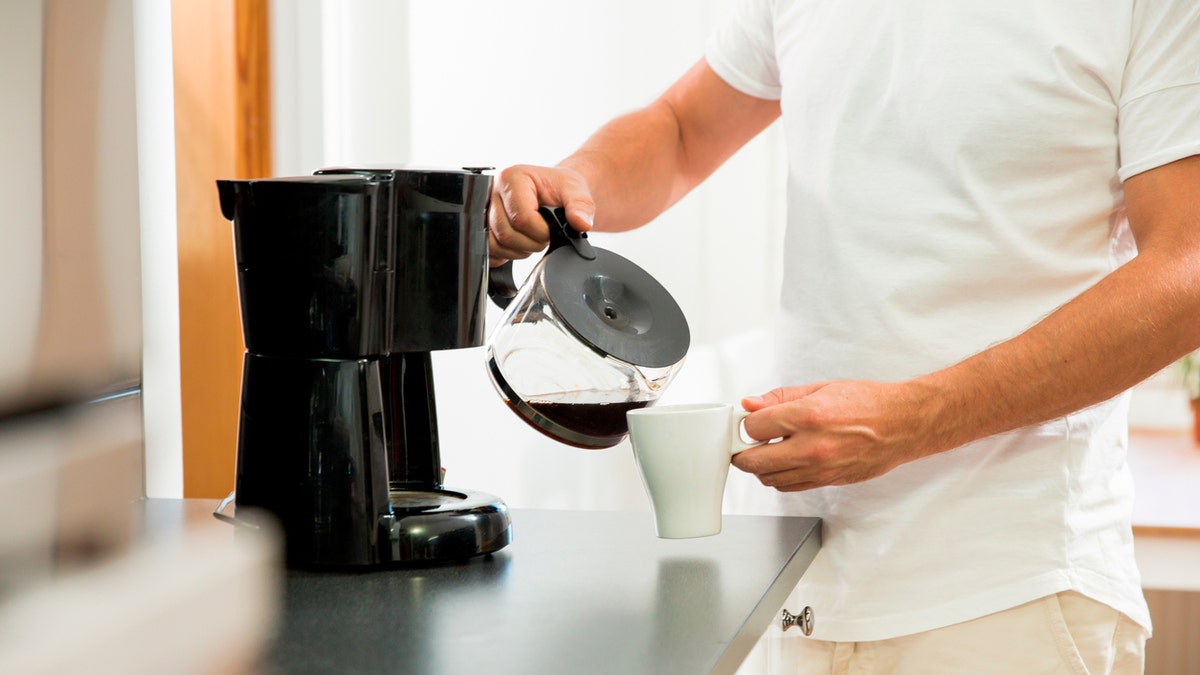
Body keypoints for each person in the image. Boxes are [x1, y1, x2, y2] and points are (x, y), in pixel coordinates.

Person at [487, 1, 1200, 673]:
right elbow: (682, 130)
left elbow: (1186, 269)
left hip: (1009, 591)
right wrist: (574, 181)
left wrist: (915, 418)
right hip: (800, 589)